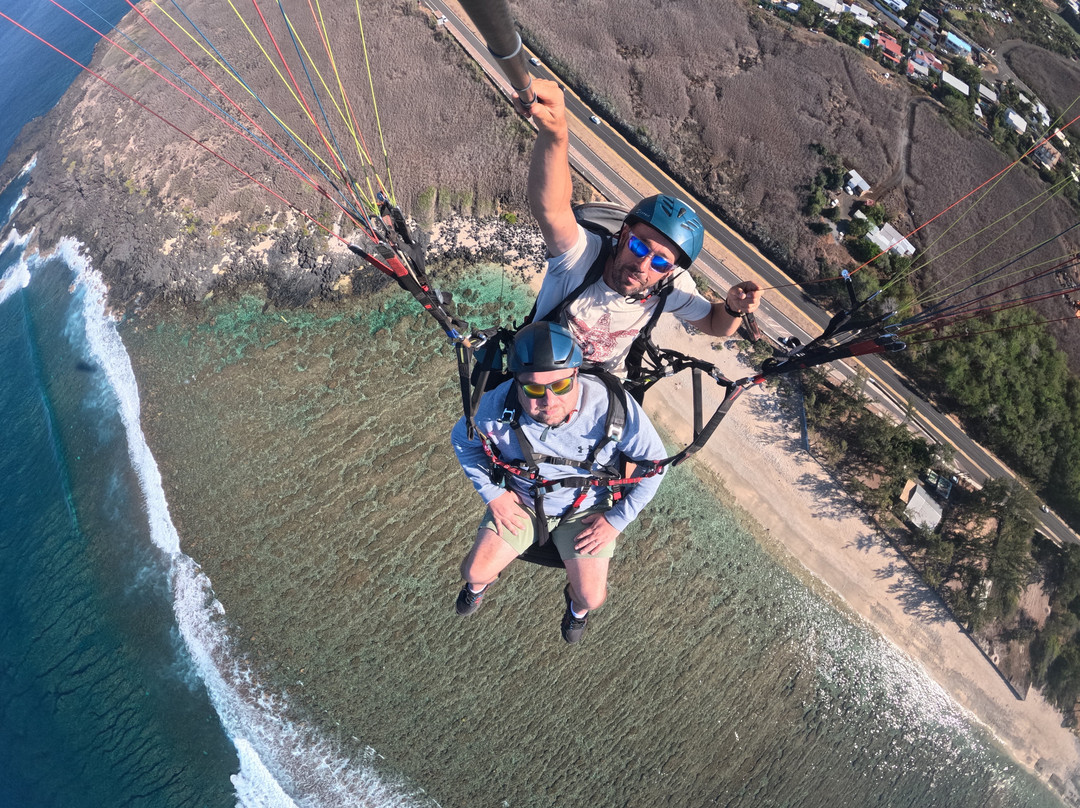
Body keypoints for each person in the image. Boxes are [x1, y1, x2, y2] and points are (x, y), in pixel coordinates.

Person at [517, 78, 762, 377]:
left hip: (604, 384)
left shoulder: (668, 286)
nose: (643, 265)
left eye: (660, 262)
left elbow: (714, 323)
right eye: (638, 246)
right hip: (544, 375)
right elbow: (553, 210)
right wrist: (555, 133)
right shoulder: (581, 259)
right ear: (623, 236)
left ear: (670, 271)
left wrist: (733, 309)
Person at [451, 321, 667, 643]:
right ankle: (478, 587)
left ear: (577, 374)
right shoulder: (496, 407)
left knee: (592, 597)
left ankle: (576, 609)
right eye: (535, 389)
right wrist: (493, 495)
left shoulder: (612, 407)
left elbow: (656, 467)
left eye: (561, 386)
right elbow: (463, 442)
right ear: (517, 383)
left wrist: (616, 520)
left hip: (586, 509)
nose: (549, 401)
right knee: (474, 571)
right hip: (523, 502)